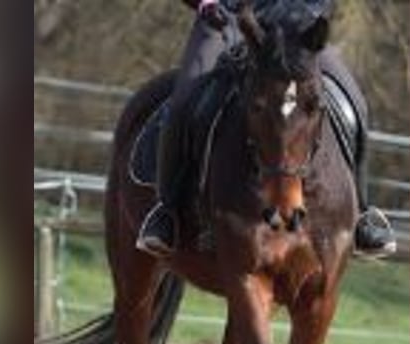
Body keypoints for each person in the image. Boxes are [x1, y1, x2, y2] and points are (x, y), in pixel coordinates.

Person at [137, 0, 396, 258]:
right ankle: (166, 211)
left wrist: (315, 14)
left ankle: (363, 214)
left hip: (297, 26)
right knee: (183, 102)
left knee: (355, 103)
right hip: (227, 21)